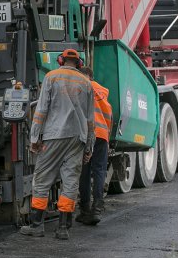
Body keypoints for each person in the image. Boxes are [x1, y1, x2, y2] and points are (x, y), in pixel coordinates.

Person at [20, 49, 95, 240]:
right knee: (70, 181)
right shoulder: (86, 83)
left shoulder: (51, 77)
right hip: (78, 138)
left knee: (42, 179)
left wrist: (35, 138)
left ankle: (37, 225)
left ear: (61, 61)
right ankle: (63, 228)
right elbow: (90, 120)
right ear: (78, 63)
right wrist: (89, 147)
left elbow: (42, 109)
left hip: (54, 135)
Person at [76, 66, 112, 226]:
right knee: (99, 171)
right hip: (102, 135)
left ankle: (85, 210)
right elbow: (109, 114)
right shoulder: (102, 91)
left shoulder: (79, 89)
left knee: (84, 172)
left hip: (85, 135)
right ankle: (97, 209)